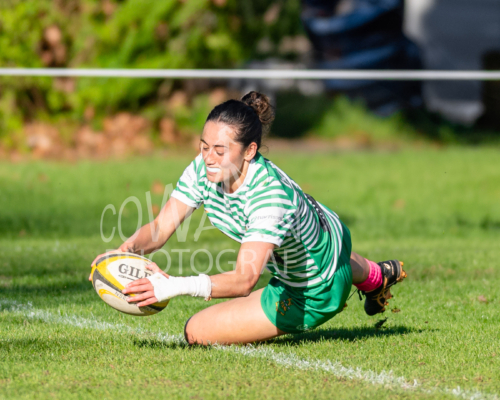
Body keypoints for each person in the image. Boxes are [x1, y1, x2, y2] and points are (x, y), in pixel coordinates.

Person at [90, 91, 407, 345]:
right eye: (204, 147)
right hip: (329, 236)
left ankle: (350, 283)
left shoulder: (268, 198)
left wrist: (172, 286)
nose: (208, 159)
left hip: (312, 291)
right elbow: (159, 229)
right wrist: (123, 253)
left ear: (249, 151)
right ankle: (376, 276)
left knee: (196, 331)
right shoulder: (205, 168)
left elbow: (244, 280)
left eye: (219, 150)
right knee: (303, 253)